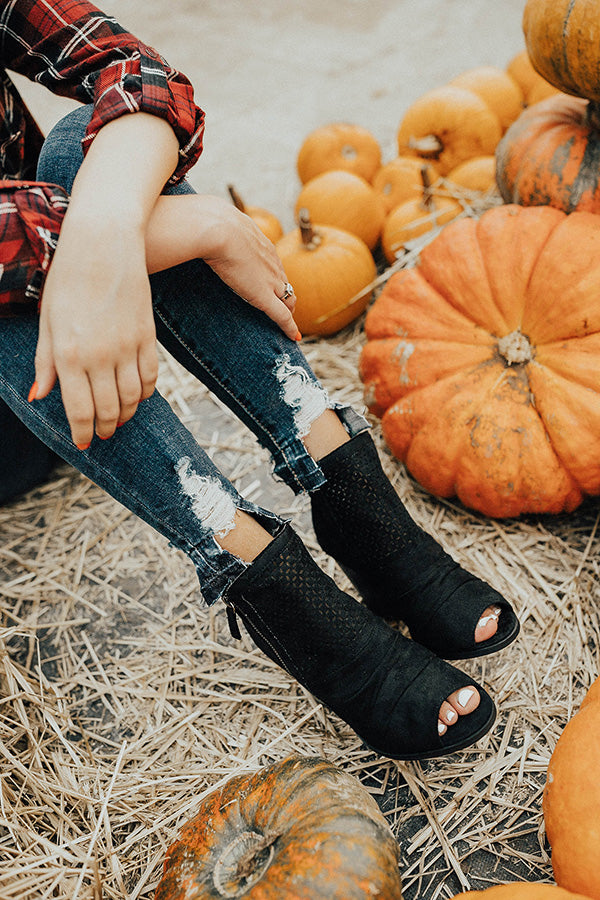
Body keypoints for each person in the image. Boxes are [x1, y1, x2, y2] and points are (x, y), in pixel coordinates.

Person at [0, 0, 520, 762]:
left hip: (69, 304)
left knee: (91, 148)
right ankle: (259, 572)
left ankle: (348, 492)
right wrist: (196, 227)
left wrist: (105, 230)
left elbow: (135, 72)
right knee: (12, 292)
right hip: (24, 367)